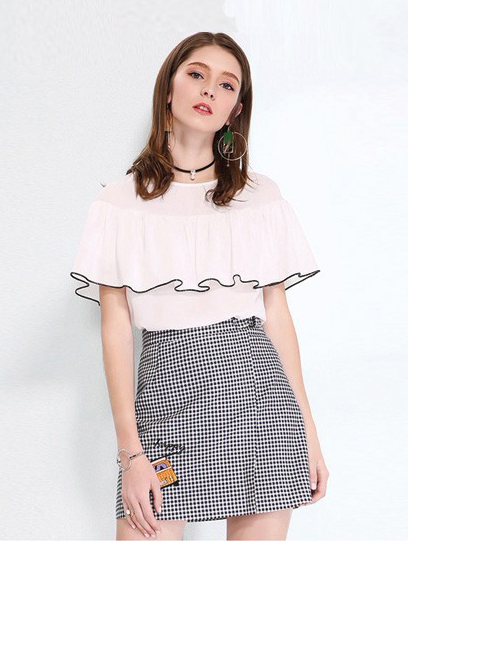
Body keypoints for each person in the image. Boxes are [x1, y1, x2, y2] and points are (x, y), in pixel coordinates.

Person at [71, 31, 329, 541]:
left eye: (227, 84)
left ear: (236, 110)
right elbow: (116, 329)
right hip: (165, 403)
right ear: (168, 88)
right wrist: (130, 454)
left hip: (263, 407)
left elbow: (277, 317)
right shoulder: (118, 204)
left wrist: (310, 433)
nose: (210, 89)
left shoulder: (260, 199)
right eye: (196, 74)